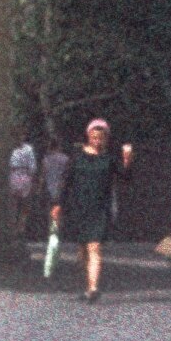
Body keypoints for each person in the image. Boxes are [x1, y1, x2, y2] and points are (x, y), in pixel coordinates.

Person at [53, 118, 131, 302]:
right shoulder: (77, 157)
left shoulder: (110, 158)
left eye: (101, 138)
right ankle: (88, 285)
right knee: (82, 251)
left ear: (106, 138)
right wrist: (58, 204)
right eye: (94, 137)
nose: (97, 141)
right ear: (88, 136)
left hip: (100, 208)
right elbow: (65, 182)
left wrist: (127, 158)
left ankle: (94, 288)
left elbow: (125, 177)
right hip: (79, 208)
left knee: (94, 247)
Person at [5, 132, 40, 243]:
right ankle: (13, 229)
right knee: (14, 203)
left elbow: (32, 166)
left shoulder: (28, 149)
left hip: (24, 175)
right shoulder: (11, 149)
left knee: (25, 204)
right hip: (14, 175)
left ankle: (21, 227)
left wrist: (31, 179)